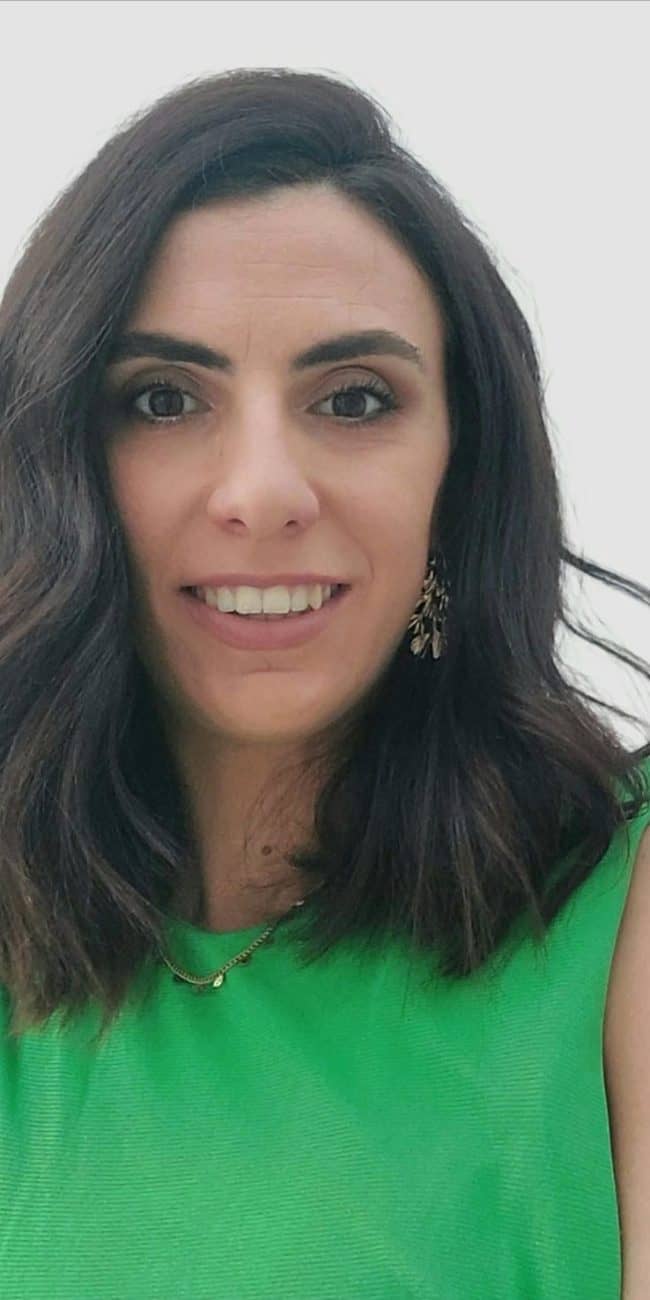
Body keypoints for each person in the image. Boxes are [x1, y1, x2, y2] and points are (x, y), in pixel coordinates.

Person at [0, 67, 648, 1300]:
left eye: (352, 399)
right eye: (162, 399)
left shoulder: (617, 905)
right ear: (57, 467)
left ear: (459, 475)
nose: (262, 491)